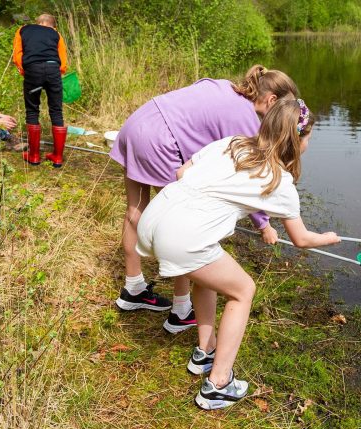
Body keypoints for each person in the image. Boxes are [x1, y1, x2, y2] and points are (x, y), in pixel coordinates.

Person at [136, 98, 339, 409]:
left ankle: (205, 352)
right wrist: (327, 238)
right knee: (244, 291)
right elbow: (300, 238)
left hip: (155, 216)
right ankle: (218, 384)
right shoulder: (279, 181)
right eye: (309, 136)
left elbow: (181, 173)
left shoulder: (232, 143)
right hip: (183, 236)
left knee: (207, 276)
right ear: (297, 140)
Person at [109, 65, 299, 334]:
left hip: (135, 124)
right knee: (178, 221)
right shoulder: (246, 119)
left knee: (135, 210)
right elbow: (254, 174)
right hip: (160, 141)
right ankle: (181, 310)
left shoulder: (224, 86)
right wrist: (264, 225)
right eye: (283, 111)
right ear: (271, 101)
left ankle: (134, 288)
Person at [12, 13, 69, 167]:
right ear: (51, 25)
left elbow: (17, 55)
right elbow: (63, 61)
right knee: (56, 111)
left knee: (32, 110)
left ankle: (34, 156)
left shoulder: (23, 29)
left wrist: (26, 71)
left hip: (33, 70)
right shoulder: (56, 34)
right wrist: (57, 73)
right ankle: (57, 157)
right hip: (53, 70)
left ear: (39, 22)